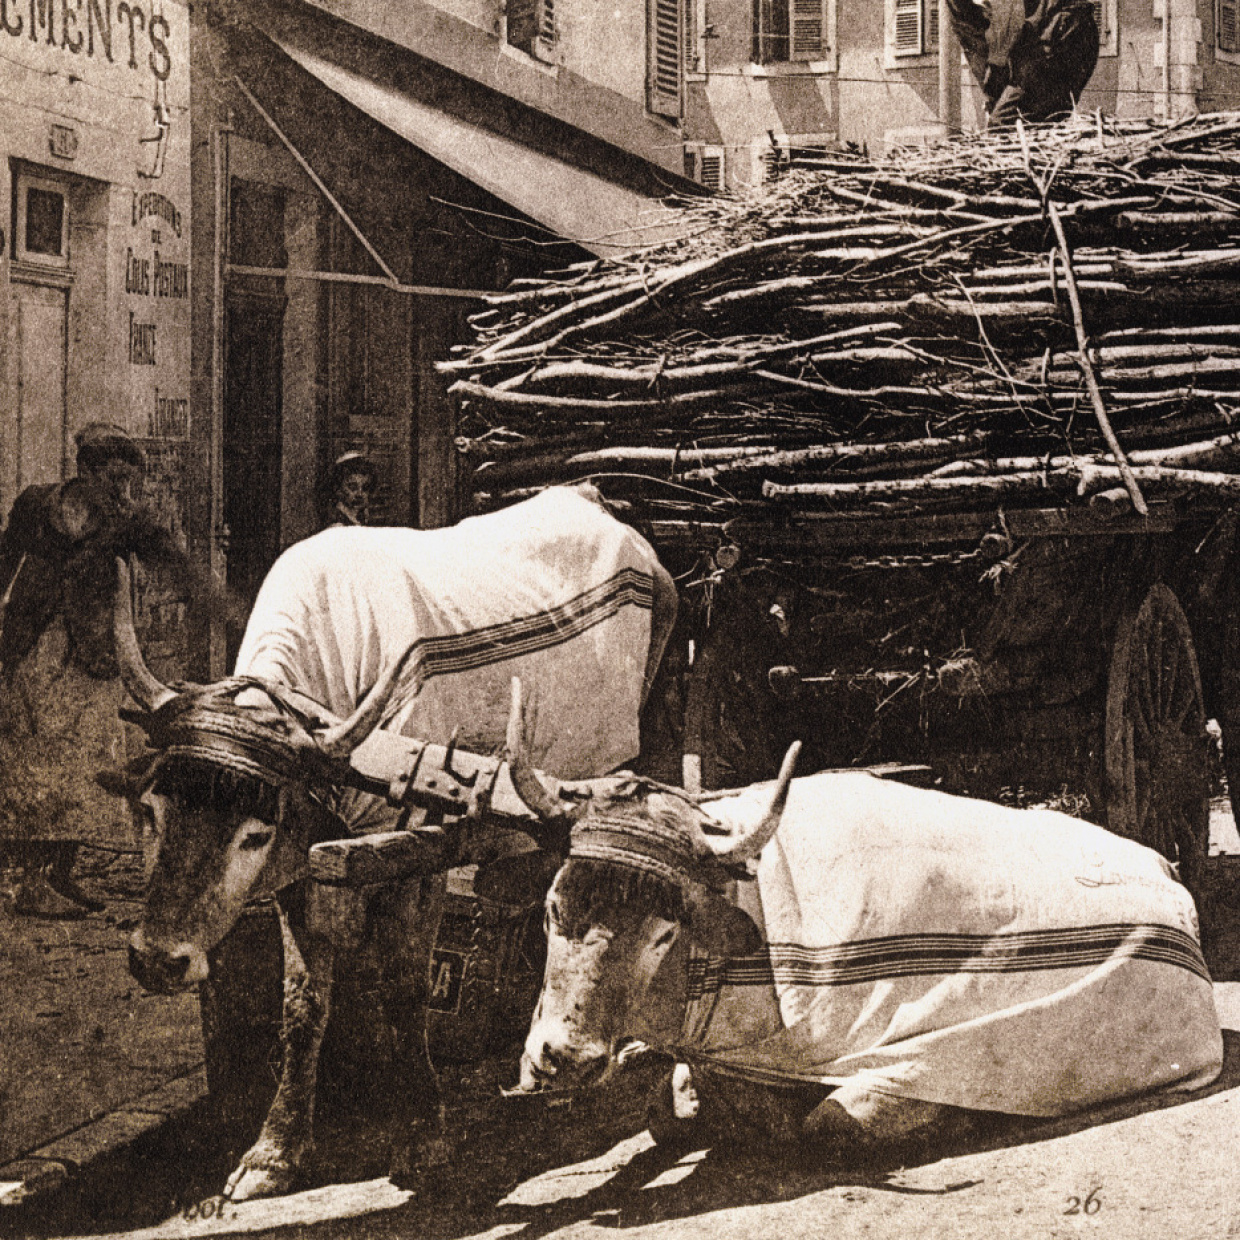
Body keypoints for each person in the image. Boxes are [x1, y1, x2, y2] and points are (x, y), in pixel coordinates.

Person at [0, 423, 194, 917]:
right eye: (114, 477)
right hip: (44, 655)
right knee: (41, 768)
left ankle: (59, 875)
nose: (121, 489)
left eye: (126, 480)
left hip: (91, 657)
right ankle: (29, 882)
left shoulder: (119, 517)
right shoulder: (40, 505)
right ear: (88, 470)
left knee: (82, 771)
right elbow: (6, 562)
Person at [945, 0, 1099, 128]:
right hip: (1047, 38)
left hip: (1062, 34)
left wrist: (996, 97)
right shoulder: (958, 9)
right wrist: (992, 96)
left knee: (1004, 124)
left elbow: (1009, 28)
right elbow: (978, 50)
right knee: (1033, 123)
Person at [323, 451, 377, 528]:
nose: (360, 494)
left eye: (365, 488)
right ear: (338, 489)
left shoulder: (361, 518)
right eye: (353, 487)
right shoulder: (337, 525)